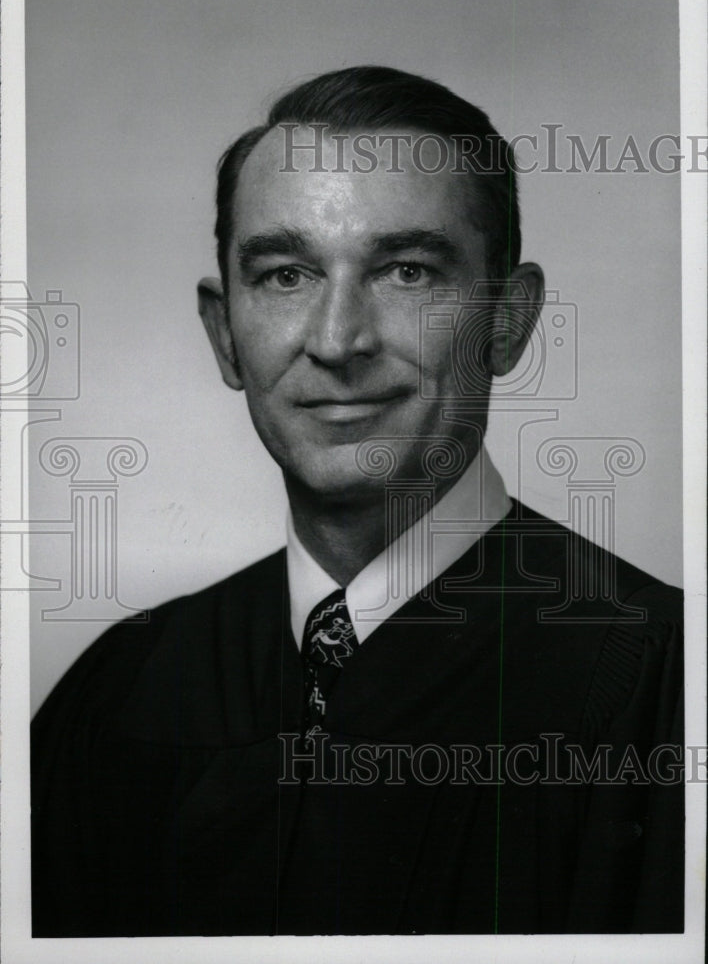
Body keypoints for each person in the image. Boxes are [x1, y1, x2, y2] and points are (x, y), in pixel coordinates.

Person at [31, 66, 683, 937]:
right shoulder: (124, 692)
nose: (338, 341)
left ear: (509, 320)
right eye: (287, 275)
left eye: (407, 271)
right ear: (225, 334)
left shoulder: (661, 682)